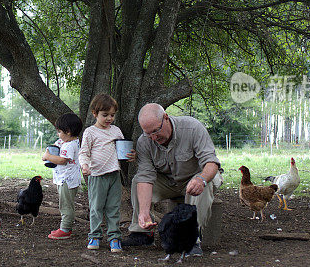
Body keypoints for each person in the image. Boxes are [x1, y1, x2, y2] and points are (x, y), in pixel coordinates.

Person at [122, 103, 222, 256]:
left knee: (204, 184)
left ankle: (193, 239)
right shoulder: (144, 141)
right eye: (149, 134)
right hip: (168, 182)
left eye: (156, 131)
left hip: (196, 177)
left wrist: (201, 179)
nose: (154, 138)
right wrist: (144, 211)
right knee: (137, 181)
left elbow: (211, 163)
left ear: (166, 118)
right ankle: (142, 232)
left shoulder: (192, 128)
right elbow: (145, 176)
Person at [79, 94, 125, 253]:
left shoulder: (116, 131)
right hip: (97, 175)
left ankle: (114, 238)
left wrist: (129, 156)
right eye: (105, 115)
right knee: (96, 207)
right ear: (95, 114)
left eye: (112, 115)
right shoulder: (90, 132)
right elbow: (83, 152)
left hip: (114, 175)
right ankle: (95, 236)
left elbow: (122, 150)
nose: (109, 118)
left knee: (113, 207)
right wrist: (84, 165)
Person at [42, 113, 84, 240]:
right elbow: (56, 145)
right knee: (64, 203)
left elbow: (62, 160)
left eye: (59, 132)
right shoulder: (67, 141)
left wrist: (48, 157)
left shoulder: (70, 145)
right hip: (65, 179)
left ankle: (65, 229)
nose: (58, 135)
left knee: (66, 204)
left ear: (68, 132)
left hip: (67, 180)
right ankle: (65, 227)